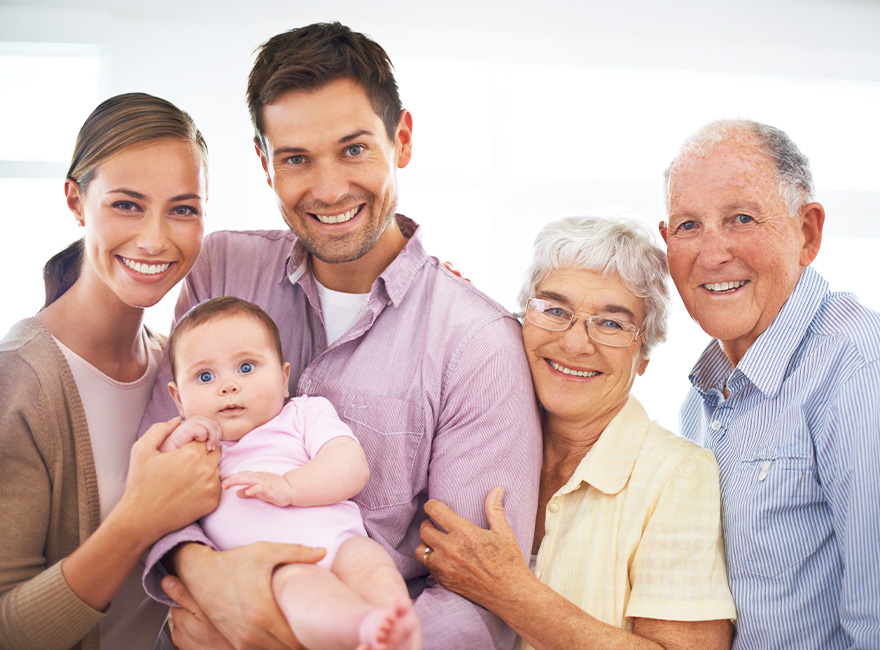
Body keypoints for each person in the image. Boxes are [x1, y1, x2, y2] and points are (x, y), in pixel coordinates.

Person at [139, 21, 542, 650]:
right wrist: (207, 578)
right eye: (296, 158)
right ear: (264, 163)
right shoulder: (222, 270)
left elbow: (478, 600)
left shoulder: (478, 342)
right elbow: (164, 461)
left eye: (354, 149)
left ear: (400, 139)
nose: (328, 190)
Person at [416, 215, 736, 649]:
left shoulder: (677, 474)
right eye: (554, 310)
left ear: (643, 355)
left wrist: (512, 593)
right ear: (519, 320)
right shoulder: (468, 430)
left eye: (611, 323)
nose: (574, 343)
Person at [0, 93, 220, 650]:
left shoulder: (180, 368)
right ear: (76, 199)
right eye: (127, 204)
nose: (155, 238)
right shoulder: (18, 381)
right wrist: (138, 519)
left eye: (183, 208)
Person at [660, 119, 880, 649]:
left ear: (807, 233)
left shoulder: (858, 366)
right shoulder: (701, 396)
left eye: (741, 218)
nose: (712, 254)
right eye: (689, 225)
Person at [159, 296, 419, 650]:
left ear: (284, 379)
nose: (228, 385)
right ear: (178, 399)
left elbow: (350, 465)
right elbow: (161, 503)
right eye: (205, 376)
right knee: (301, 585)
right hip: (272, 564)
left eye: (247, 367)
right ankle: (359, 630)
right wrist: (177, 442)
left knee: (376, 569)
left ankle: (396, 626)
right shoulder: (197, 447)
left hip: (345, 542)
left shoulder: (303, 413)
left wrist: (289, 486)